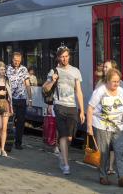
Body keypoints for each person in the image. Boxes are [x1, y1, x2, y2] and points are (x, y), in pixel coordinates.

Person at [42, 46, 84, 175]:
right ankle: (66, 164)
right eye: (62, 57)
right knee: (64, 135)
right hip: (59, 106)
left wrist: (82, 110)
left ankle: (62, 154)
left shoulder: (75, 71)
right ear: (58, 58)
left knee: (70, 137)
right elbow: (45, 89)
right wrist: (52, 80)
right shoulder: (54, 71)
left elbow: (79, 92)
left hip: (72, 107)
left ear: (69, 56)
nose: (64, 59)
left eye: (66, 56)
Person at [87, 68, 123, 187]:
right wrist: (89, 127)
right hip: (102, 126)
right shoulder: (100, 91)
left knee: (120, 151)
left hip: (118, 126)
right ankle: (103, 176)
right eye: (114, 81)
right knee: (104, 153)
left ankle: (122, 177)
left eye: (118, 81)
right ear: (107, 81)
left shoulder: (120, 90)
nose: (117, 84)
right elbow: (90, 108)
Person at [96, 60, 121, 175]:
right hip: (102, 119)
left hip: (114, 118)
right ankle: (102, 167)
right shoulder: (100, 82)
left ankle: (110, 167)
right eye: (104, 67)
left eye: (107, 67)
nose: (104, 69)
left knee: (112, 144)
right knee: (103, 145)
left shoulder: (119, 83)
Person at [6, 52, 31, 150]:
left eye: (19, 61)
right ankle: (7, 142)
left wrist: (30, 98)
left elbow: (27, 84)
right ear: (12, 59)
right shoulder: (7, 68)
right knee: (9, 122)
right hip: (10, 100)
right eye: (15, 60)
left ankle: (18, 143)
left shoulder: (24, 69)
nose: (17, 62)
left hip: (22, 99)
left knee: (21, 122)